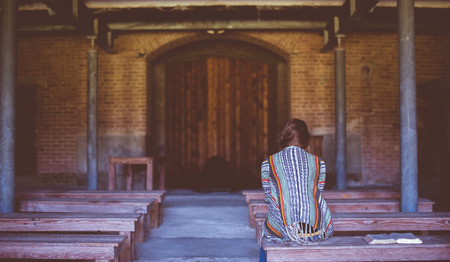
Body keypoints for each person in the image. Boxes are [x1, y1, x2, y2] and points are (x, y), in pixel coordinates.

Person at [259, 119, 333, 260]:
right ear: (306, 139)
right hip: (313, 229)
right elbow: (318, 192)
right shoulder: (319, 163)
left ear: (283, 138)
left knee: (265, 236)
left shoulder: (268, 163)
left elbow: (268, 197)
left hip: (282, 230)